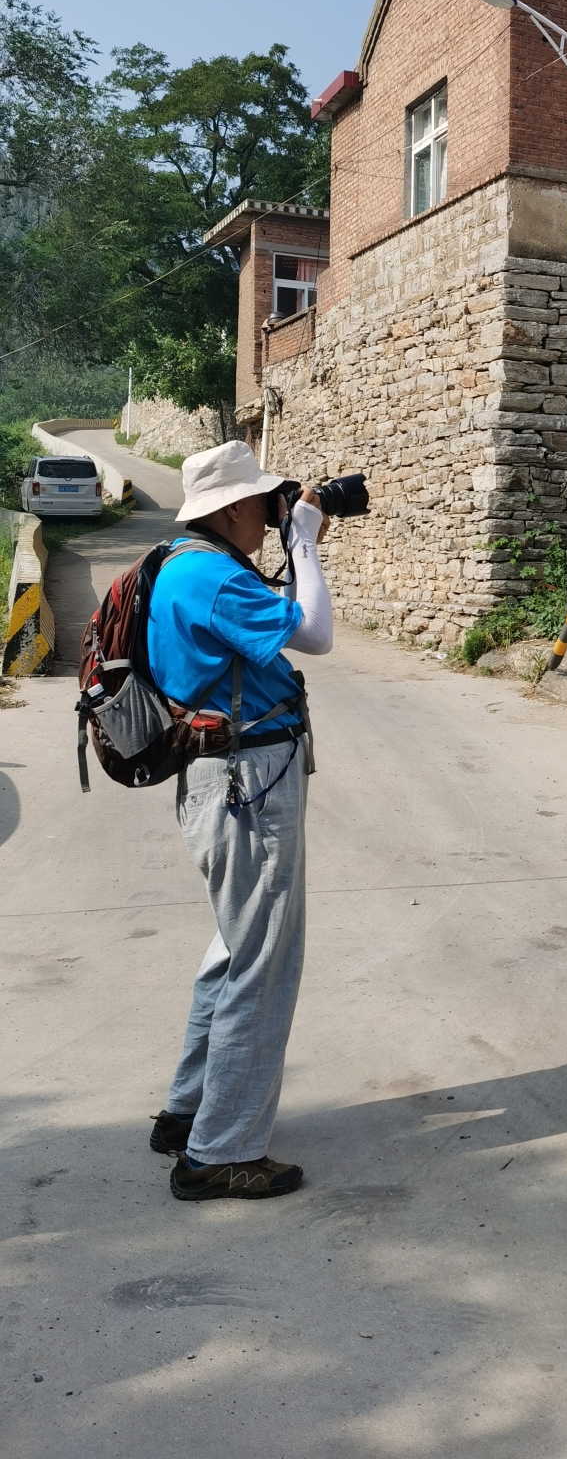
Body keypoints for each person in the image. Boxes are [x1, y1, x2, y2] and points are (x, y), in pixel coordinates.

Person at [145, 440, 334, 1201]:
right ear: (228, 509)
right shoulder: (213, 577)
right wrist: (307, 543)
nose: (271, 512)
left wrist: (294, 537)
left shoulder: (179, 560)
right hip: (246, 784)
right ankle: (220, 1152)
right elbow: (316, 634)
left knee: (232, 950)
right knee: (264, 963)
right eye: (263, 502)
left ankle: (189, 1113)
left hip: (224, 779)